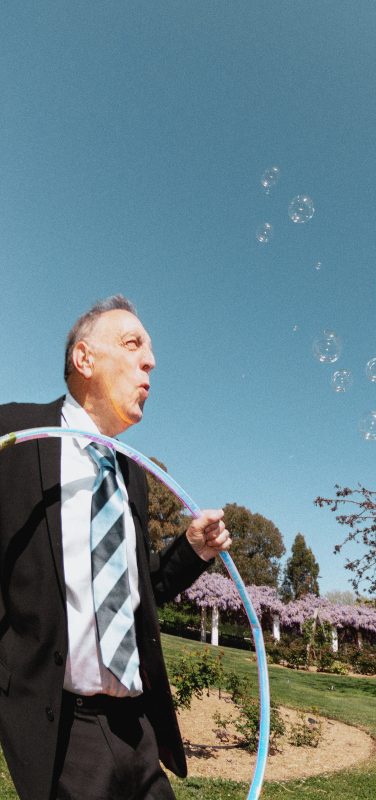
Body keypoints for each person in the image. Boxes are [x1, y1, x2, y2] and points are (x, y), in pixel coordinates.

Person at [0, 296, 230, 800]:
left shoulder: (132, 474)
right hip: (63, 728)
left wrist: (191, 550)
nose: (149, 362)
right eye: (133, 345)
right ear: (85, 359)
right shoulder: (13, 436)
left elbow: (136, 594)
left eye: (150, 355)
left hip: (138, 726)